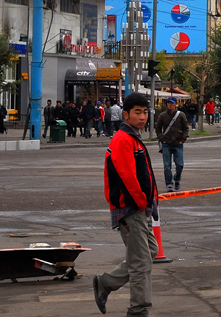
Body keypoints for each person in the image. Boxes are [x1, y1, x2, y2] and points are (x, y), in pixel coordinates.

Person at [93, 92, 159, 317]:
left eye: (145, 112)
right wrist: (142, 202)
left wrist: (150, 203)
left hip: (140, 209)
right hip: (131, 209)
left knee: (150, 251)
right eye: (137, 112)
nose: (142, 117)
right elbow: (128, 176)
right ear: (126, 114)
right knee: (141, 262)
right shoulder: (123, 139)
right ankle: (138, 310)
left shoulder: (133, 138)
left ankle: (107, 282)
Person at [154, 98, 190, 192]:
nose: (170, 105)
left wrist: (183, 139)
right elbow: (158, 128)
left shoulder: (181, 115)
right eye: (169, 103)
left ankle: (177, 178)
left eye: (172, 103)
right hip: (167, 144)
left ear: (175, 104)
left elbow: (186, 128)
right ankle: (169, 183)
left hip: (178, 144)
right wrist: (162, 139)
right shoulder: (163, 115)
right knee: (167, 166)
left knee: (180, 165)